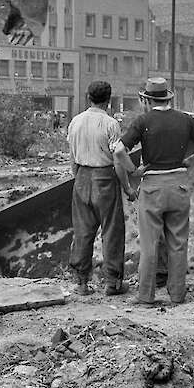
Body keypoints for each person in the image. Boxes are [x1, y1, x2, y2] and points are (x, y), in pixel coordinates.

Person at [114, 77, 194, 305]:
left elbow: (118, 152)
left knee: (150, 244)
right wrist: (190, 161)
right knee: (178, 243)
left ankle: (146, 295)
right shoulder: (185, 120)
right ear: (168, 97)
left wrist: (135, 171)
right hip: (179, 186)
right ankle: (177, 294)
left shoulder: (143, 121)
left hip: (152, 188)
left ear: (146, 99)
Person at [67, 80, 137, 296]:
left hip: (81, 177)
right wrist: (126, 186)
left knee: (82, 232)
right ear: (109, 101)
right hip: (105, 178)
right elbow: (118, 158)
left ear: (88, 97)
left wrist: (77, 177)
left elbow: (72, 156)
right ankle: (113, 283)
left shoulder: (75, 122)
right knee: (112, 231)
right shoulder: (110, 124)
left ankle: (81, 283)